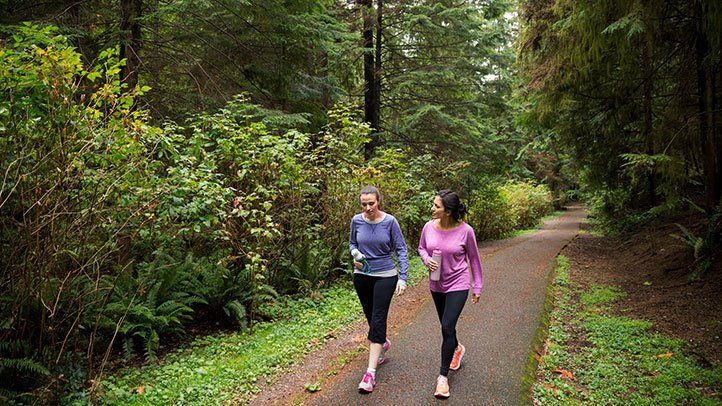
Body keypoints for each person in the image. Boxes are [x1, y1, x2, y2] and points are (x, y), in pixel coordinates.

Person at [418, 189, 483, 399]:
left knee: (447, 326)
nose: (432, 209)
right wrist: (427, 260)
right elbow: (421, 248)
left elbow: (474, 259)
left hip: (458, 282)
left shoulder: (466, 231)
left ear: (448, 211)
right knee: (447, 326)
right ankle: (457, 348)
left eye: (436, 206)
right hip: (436, 284)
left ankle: (442, 378)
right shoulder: (428, 227)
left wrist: (477, 286)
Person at [349, 185, 409, 393]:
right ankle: (382, 342)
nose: (368, 208)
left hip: (385, 276)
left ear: (379, 202)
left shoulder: (390, 222)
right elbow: (352, 243)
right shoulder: (356, 220)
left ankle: (369, 374)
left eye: (371, 203)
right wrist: (355, 254)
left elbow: (401, 248)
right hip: (362, 276)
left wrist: (403, 277)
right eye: (364, 204)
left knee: (378, 318)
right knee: (369, 315)